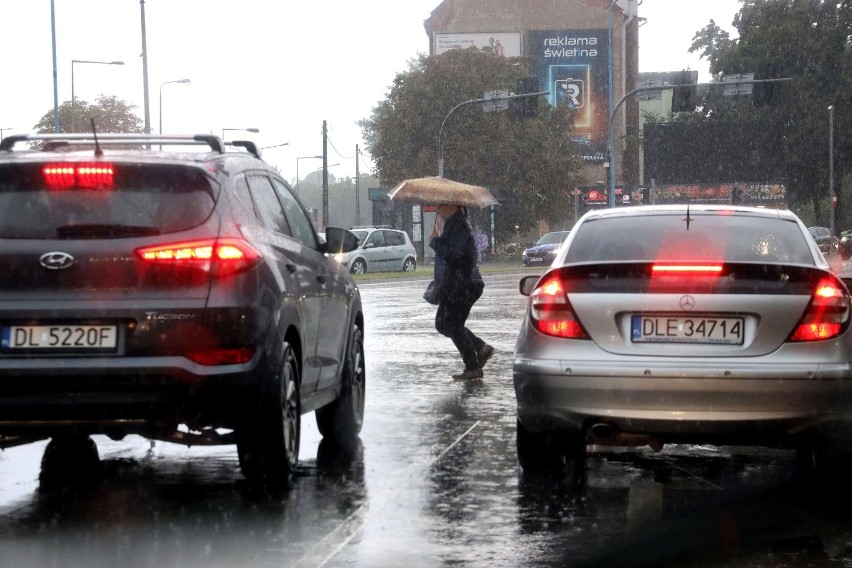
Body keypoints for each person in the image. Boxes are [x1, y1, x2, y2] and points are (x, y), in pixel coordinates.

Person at [429, 203, 494, 380]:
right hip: (461, 284)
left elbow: (454, 254)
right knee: (446, 324)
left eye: (442, 206)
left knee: (448, 324)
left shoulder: (458, 225)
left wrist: (435, 242)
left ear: (453, 206)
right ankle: (480, 348)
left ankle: (473, 365)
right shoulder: (455, 224)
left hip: (463, 284)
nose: (439, 210)